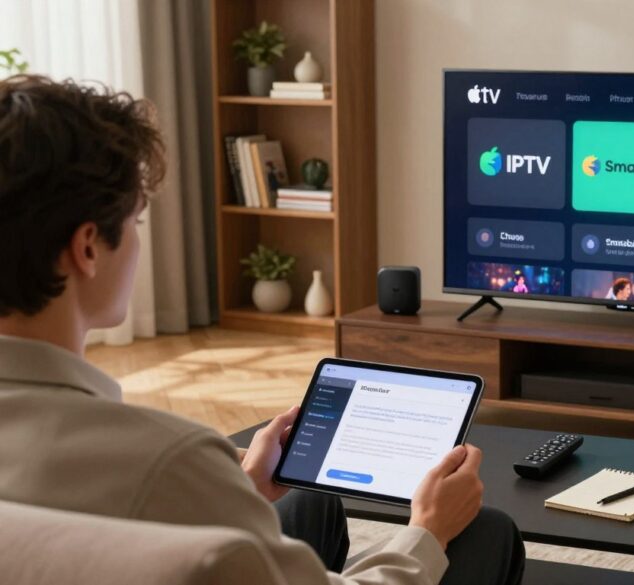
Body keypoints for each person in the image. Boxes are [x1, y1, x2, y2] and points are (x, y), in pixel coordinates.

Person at [0, 75, 524, 585]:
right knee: (483, 532)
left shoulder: (163, 468)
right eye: (136, 222)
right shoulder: (167, 459)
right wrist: (427, 531)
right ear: (88, 247)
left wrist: (241, 489)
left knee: (306, 496)